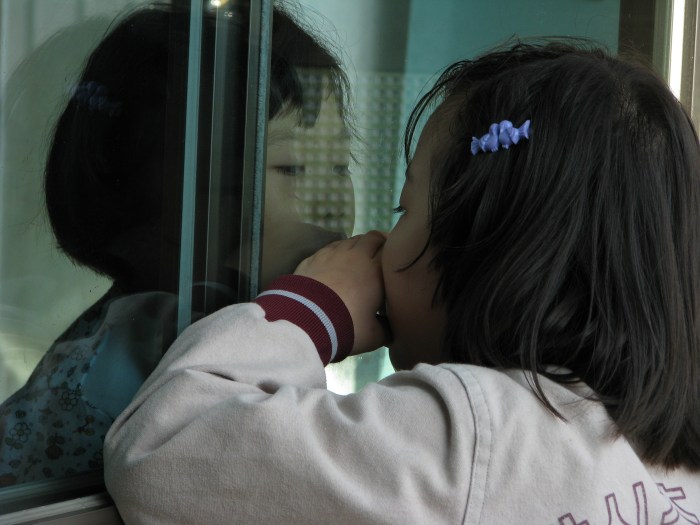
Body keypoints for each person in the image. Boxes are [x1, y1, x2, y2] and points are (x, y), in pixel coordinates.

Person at [104, 40, 700, 523]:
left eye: (403, 209)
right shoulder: (668, 448)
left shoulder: (470, 436)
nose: (379, 240)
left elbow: (164, 449)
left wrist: (313, 309)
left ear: (482, 248)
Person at [0, 2, 353, 487]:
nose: (333, 204)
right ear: (170, 199)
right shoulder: (151, 346)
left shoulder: (226, 323)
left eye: (340, 164)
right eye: (291, 167)